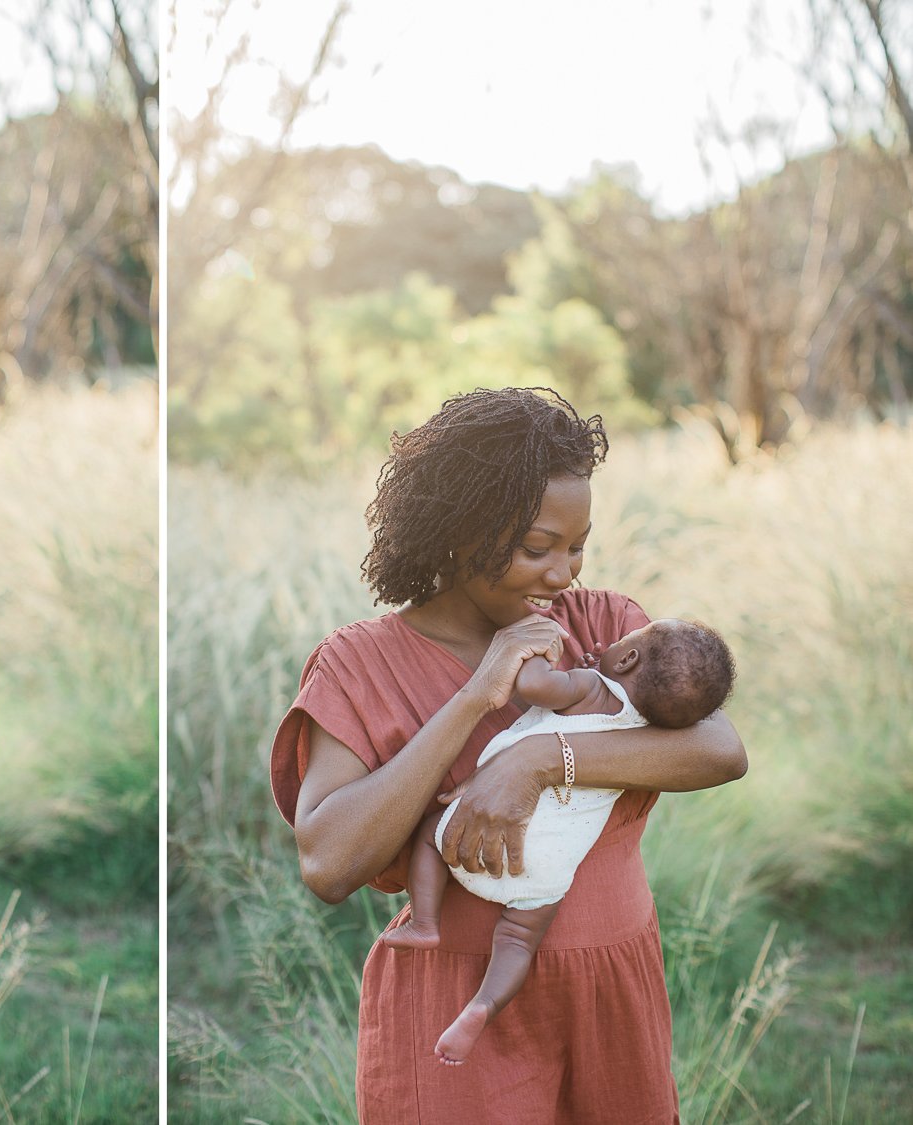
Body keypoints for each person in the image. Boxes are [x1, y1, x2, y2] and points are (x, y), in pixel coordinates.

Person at [270, 387, 747, 1124]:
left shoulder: (608, 631)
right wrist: (474, 698)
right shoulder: (358, 663)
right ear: (461, 531)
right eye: (536, 548)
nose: (564, 575)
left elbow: (720, 748)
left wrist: (534, 761)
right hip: (455, 1007)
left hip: (610, 993)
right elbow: (328, 862)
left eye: (577, 544)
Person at [382, 618, 736, 1065]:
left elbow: (531, 687)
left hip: (483, 833)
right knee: (516, 941)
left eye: (623, 643)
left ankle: (426, 922)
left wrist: (540, 653)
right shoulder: (650, 735)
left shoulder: (588, 685)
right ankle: (482, 1006)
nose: (609, 642)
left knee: (430, 838)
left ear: (626, 659)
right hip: (549, 869)